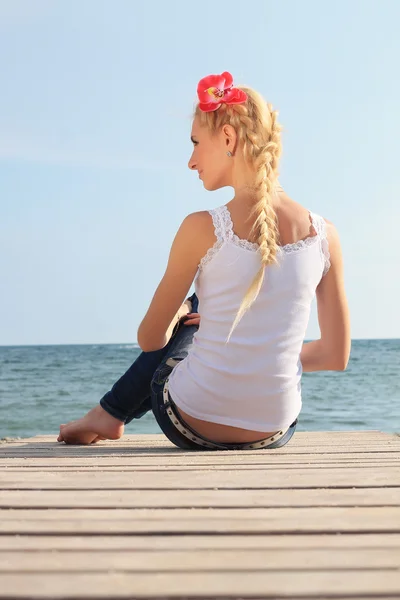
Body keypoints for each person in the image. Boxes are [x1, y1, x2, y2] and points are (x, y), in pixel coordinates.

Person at [58, 71, 351, 450]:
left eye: (196, 142)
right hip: (273, 431)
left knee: (196, 306)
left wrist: (183, 316)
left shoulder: (202, 228)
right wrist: (261, 352)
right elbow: (334, 356)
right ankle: (107, 416)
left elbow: (150, 339)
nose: (191, 161)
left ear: (228, 138)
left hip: (190, 421)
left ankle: (109, 414)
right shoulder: (326, 236)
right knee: (215, 308)